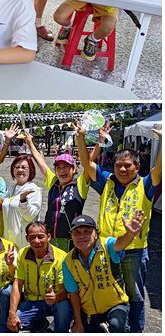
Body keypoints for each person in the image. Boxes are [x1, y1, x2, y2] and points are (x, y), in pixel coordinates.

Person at [74, 119, 161, 332]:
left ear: (137, 167)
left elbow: (160, 169)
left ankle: (135, 330)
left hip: (133, 250)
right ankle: (114, 327)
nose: (122, 169)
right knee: (108, 289)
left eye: (127, 165)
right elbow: (87, 164)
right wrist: (81, 138)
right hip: (106, 247)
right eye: (118, 165)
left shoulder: (146, 184)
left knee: (134, 294)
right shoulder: (107, 181)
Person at [64, 212, 144, 333]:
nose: (81, 236)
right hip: (89, 311)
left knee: (117, 325)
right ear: (72, 237)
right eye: (77, 233)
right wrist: (78, 322)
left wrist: (130, 234)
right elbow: (73, 294)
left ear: (96, 234)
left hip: (115, 304)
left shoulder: (106, 245)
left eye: (87, 231)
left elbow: (119, 244)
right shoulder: (68, 261)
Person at [8, 221, 72, 333]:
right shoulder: (23, 254)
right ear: (27, 238)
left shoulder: (62, 257)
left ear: (49, 237)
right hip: (33, 301)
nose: (36, 241)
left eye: (41, 237)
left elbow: (65, 289)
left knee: (64, 307)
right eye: (32, 237)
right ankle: (41, 324)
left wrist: (56, 297)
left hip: (56, 301)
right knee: (16, 324)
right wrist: (12, 313)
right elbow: (17, 284)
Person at [1, 154, 42, 250]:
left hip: (24, 243)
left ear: (31, 170)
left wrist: (23, 201)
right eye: (17, 167)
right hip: (8, 241)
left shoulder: (33, 190)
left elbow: (30, 216)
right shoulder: (11, 189)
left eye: (24, 167)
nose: (20, 170)